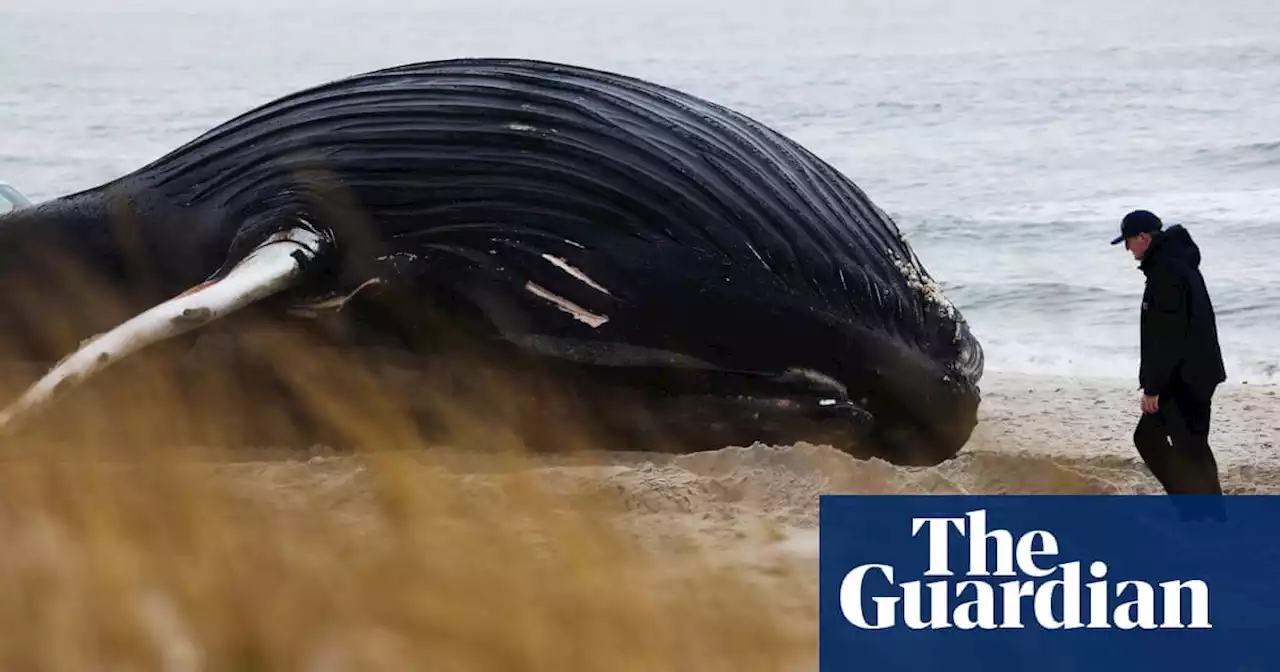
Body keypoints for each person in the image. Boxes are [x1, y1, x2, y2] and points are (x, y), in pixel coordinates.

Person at [1111, 209, 1227, 518]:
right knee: (1193, 446)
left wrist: (1153, 388)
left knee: (1156, 440)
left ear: (1144, 238)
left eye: (1128, 242)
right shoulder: (1177, 264)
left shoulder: (1166, 273)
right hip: (1197, 371)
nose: (1128, 250)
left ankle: (1196, 510)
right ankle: (1210, 515)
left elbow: (1168, 338)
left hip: (1184, 377)